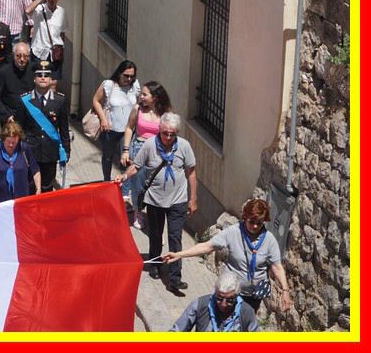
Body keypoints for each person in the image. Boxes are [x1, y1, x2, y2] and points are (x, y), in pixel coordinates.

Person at [163, 197, 292, 313]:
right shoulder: (233, 232)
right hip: (230, 292)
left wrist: (285, 291)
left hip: (253, 295)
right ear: (245, 217)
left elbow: (277, 267)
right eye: (252, 221)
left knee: (243, 326)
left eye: (259, 223)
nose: (255, 226)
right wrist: (179, 255)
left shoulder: (269, 240)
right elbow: (207, 246)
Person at [116, 112, 197, 295]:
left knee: (175, 238)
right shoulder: (150, 145)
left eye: (172, 134)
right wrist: (124, 176)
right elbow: (136, 166)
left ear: (177, 133)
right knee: (155, 235)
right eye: (165, 133)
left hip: (178, 200)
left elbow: (191, 172)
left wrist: (193, 198)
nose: (168, 137)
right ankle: (154, 264)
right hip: (154, 200)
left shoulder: (184, 146)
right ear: (159, 130)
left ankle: (175, 278)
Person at [14, 60, 70, 193]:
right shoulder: (24, 100)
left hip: (50, 151)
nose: (43, 78)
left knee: (47, 187)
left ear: (51, 80)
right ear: (34, 79)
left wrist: (66, 150)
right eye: (39, 75)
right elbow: (18, 128)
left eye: (46, 75)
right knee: (30, 186)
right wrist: (17, 150)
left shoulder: (60, 100)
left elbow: (63, 128)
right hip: (30, 151)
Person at [121, 80, 169, 227]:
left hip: (157, 151)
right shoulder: (138, 109)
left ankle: (154, 213)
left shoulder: (165, 114)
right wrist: (126, 150)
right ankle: (138, 212)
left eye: (144, 94)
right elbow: (129, 128)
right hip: (139, 148)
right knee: (138, 184)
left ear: (155, 97)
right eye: (141, 94)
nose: (141, 97)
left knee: (155, 184)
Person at [93, 60, 141, 182]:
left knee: (126, 158)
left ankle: (124, 183)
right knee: (107, 156)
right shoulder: (109, 85)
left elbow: (139, 104)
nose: (129, 79)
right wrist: (103, 119)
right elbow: (96, 101)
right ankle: (106, 180)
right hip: (110, 129)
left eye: (131, 76)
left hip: (128, 130)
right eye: (126, 75)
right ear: (119, 73)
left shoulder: (135, 86)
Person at [170, 271, 259, 332]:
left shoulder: (247, 312)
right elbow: (176, 331)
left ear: (237, 296)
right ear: (215, 292)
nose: (223, 304)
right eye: (219, 298)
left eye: (230, 300)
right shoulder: (200, 304)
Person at [0, 118, 40, 202]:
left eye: (14, 142)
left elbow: (36, 171)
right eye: (8, 142)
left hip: (21, 199)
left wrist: (38, 190)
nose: (11, 145)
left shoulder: (24, 149)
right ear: (3, 139)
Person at [26, 0, 66, 77]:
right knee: (38, 80)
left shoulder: (62, 12)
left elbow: (62, 33)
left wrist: (60, 50)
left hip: (55, 55)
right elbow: (28, 10)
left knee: (54, 82)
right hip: (39, 53)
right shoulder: (39, 9)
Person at [0, 42, 36, 123]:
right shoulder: (3, 72)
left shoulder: (34, 70)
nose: (22, 59)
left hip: (31, 115)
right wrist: (6, 115)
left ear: (29, 56)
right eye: (18, 56)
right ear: (13, 55)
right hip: (11, 118)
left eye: (25, 56)